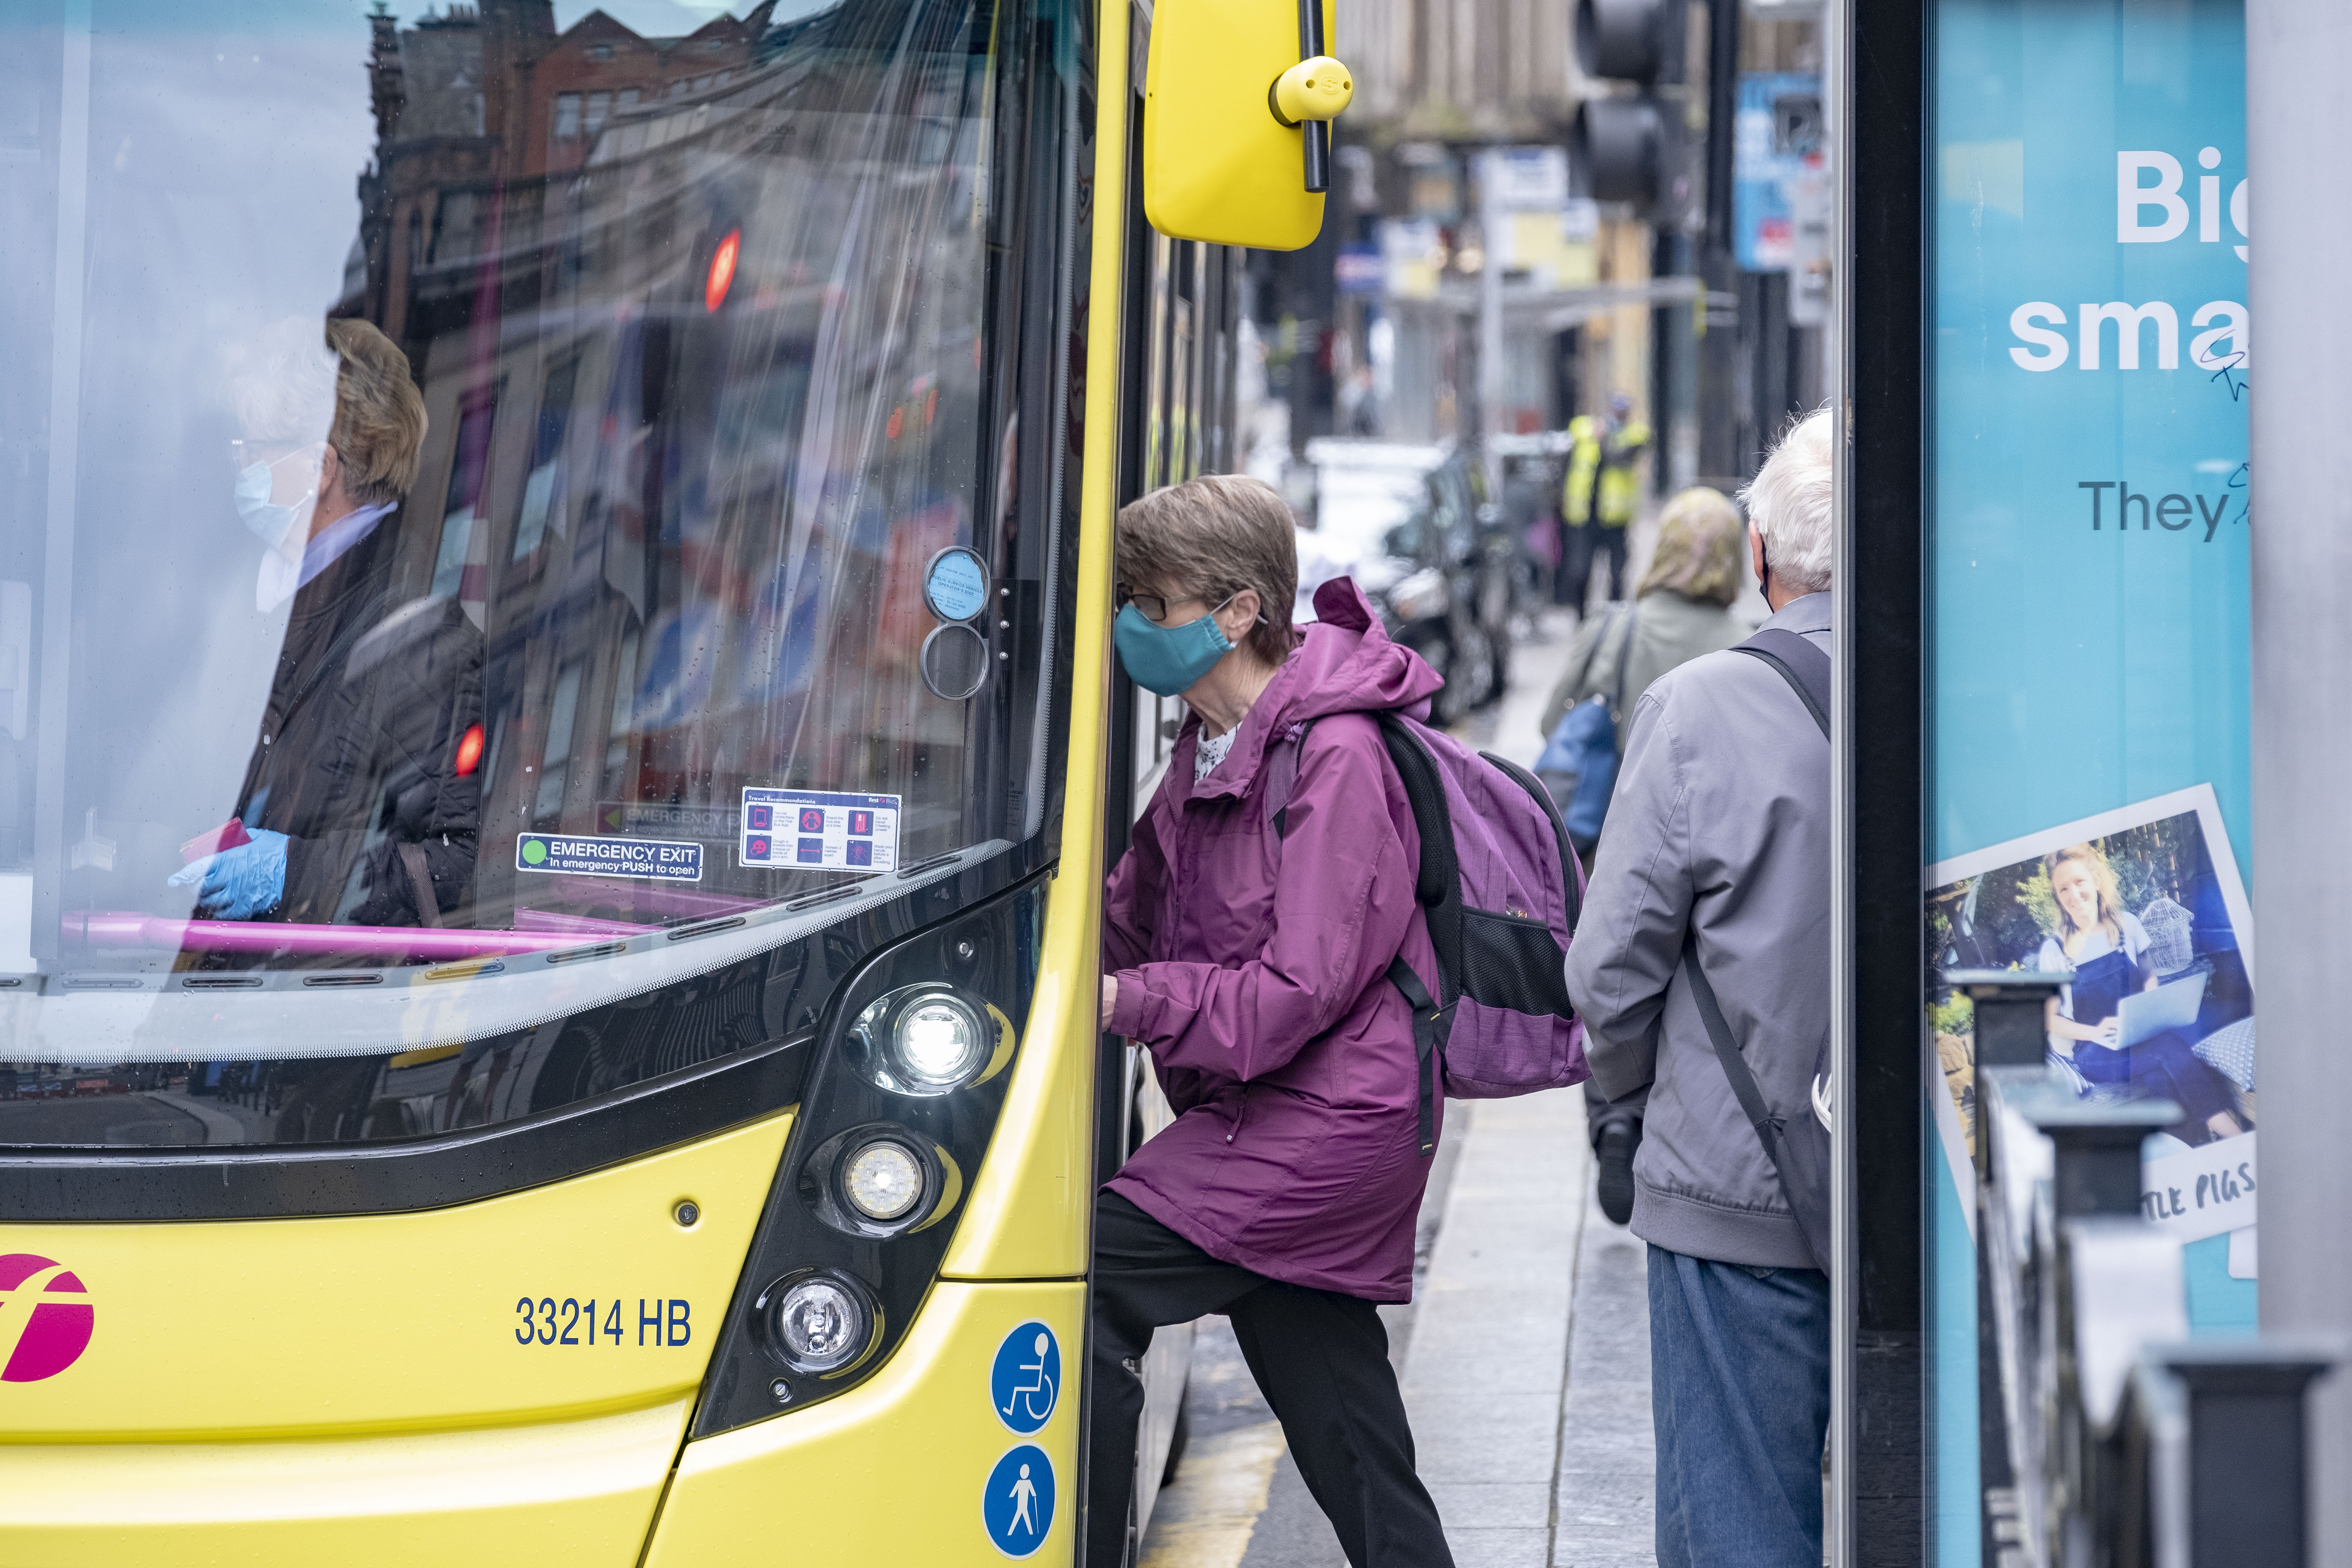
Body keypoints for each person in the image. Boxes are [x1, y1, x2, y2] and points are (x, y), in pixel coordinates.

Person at [1092, 473, 1454, 1568]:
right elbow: (1126, 911)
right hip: (1268, 1118)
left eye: (1150, 604)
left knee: (1077, 1273)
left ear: (1236, 612)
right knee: (1348, 1428)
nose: (1131, 628)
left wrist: (1123, 1003)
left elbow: (1296, 987)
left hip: (1320, 1128)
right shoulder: (1204, 750)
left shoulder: (1332, 756)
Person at [1563, 408, 1835, 1568]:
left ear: (1763, 559)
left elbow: (1609, 965)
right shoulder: (1983, 702)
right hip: (1942, 1185)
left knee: (1737, 1523)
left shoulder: (1702, 707)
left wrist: (1622, 1097)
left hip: (1737, 1180)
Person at [169, 316, 482, 933]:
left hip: (322, 1004)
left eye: (251, 450)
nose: (238, 471)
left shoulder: (420, 635)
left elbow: (452, 865)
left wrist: (294, 871)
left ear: (319, 467)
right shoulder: (248, 593)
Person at [1538, 484, 1750, 1227]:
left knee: (1618, 978)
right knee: (1701, 999)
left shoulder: (1616, 627)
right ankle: (1683, 1130)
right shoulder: (1750, 631)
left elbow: (1554, 721)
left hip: (1624, 851)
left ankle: (1615, 1117)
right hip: (1729, 857)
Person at [2035, 844, 2246, 1143]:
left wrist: (2150, 1009)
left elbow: (2149, 975)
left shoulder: (2127, 926)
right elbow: (2051, 1021)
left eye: (2079, 882)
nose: (2073, 895)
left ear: (2096, 881)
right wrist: (2094, 1032)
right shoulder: (2054, 951)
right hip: (2094, 1051)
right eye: (2063, 889)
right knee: (2169, 1049)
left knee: (2160, 1072)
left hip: (2140, 1036)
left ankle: (2189, 1145)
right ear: (2057, 897)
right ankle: (2227, 1130)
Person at [1557, 391, 1650, 610]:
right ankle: (1581, 618)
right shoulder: (1583, 432)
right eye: (1615, 410)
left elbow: (1616, 457)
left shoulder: (1634, 436)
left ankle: (1614, 619)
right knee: (1580, 572)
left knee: (1617, 575)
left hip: (1616, 520)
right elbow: (1566, 463)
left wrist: (1603, 437)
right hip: (1584, 517)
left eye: (1623, 411)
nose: (1619, 415)